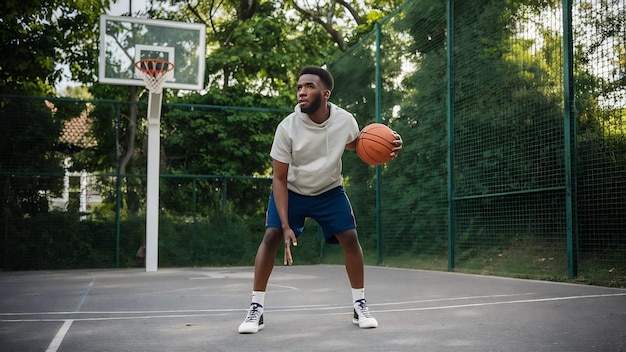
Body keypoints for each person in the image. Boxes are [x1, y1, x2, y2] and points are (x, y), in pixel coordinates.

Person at [238, 65, 402, 334]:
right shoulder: (287, 128)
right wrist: (285, 224)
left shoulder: (345, 120)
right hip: (292, 191)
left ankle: (359, 303)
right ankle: (256, 308)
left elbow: (356, 143)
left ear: (325, 94)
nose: (301, 92)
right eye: (299, 87)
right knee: (270, 237)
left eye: (309, 87)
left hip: (329, 191)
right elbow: (278, 179)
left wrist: (390, 145)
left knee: (350, 238)